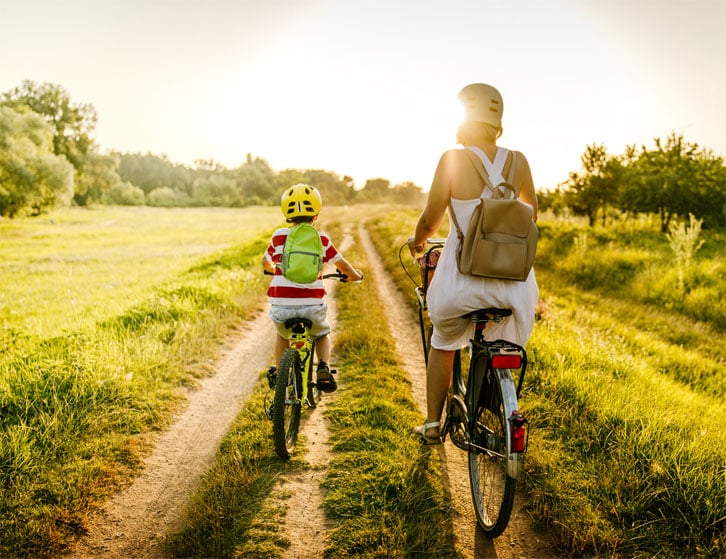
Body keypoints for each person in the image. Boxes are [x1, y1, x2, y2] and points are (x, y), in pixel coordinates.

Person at [408, 83, 539, 444]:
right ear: (498, 120)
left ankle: (433, 425)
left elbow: (430, 220)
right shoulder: (519, 160)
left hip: (462, 281)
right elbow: (532, 215)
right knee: (502, 340)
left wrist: (418, 242)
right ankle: (494, 404)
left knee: (444, 341)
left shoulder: (453, 159)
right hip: (515, 286)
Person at [262, 183, 363, 394]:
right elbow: (342, 264)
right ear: (316, 215)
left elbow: (265, 261)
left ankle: (282, 372)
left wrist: (272, 269)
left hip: (282, 305)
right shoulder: (321, 239)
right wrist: (354, 276)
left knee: (283, 335)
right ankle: (324, 366)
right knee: (321, 334)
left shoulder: (279, 235)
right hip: (312, 306)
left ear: (287, 215)